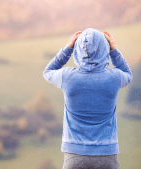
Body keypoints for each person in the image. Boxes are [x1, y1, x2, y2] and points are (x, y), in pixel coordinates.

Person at [43, 28, 133, 169]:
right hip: (107, 154)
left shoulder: (68, 78)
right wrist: (114, 50)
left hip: (74, 155)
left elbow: (48, 71)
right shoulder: (113, 78)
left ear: (78, 50)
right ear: (105, 50)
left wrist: (68, 48)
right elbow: (127, 74)